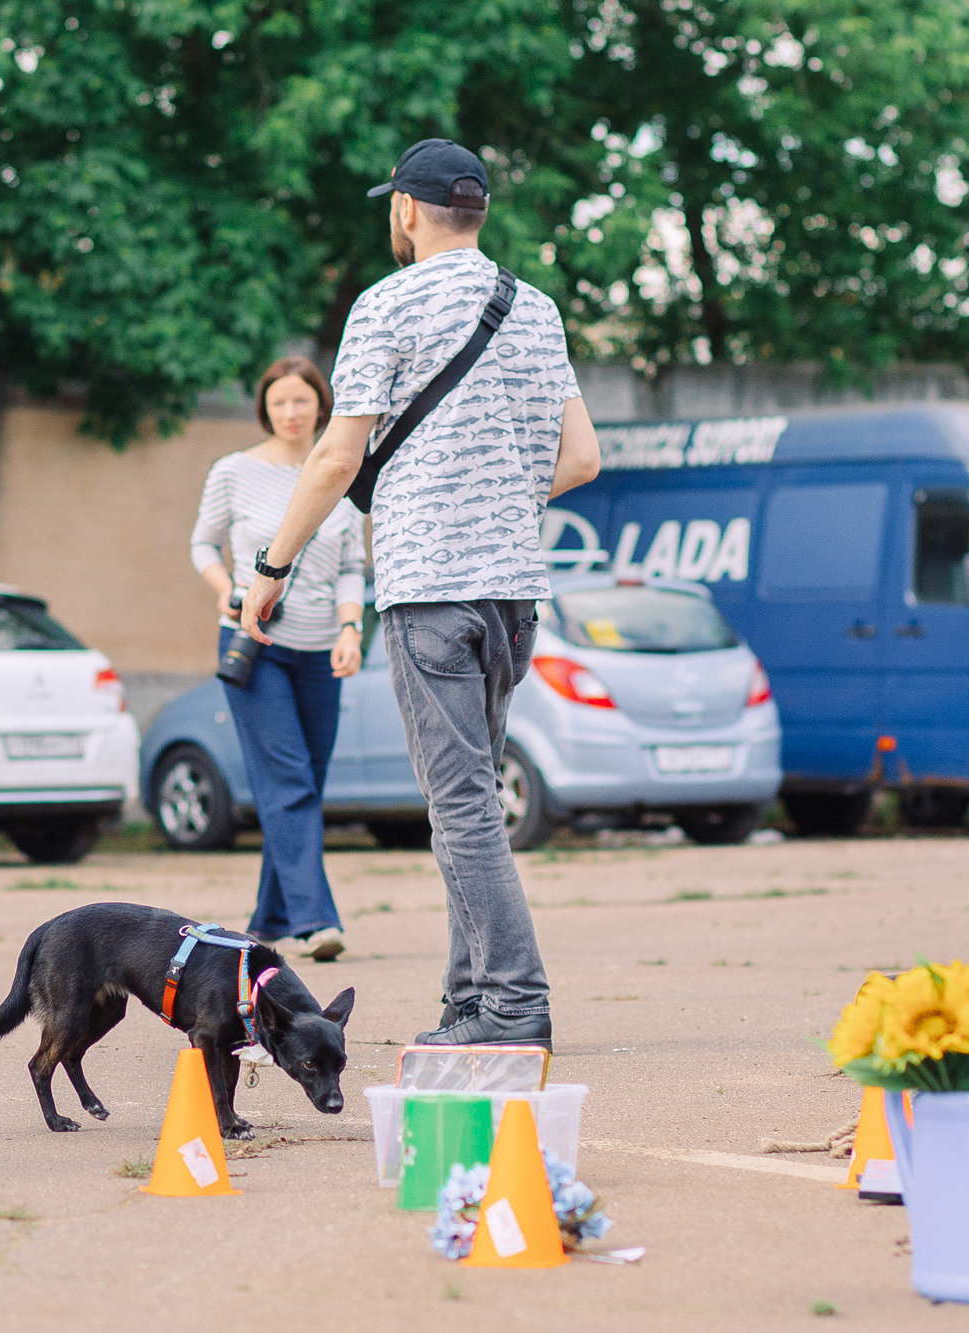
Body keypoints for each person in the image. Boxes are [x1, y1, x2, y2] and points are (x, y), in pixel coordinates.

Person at [240, 139, 600, 1051]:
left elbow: (336, 454)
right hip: (513, 594)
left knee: (460, 804)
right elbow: (583, 459)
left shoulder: (386, 304)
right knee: (467, 797)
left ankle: (513, 1003)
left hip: (430, 588)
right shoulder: (538, 309)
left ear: (405, 209)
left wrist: (273, 569)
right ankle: (469, 1000)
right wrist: (501, 498)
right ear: (476, 213)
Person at [191, 357, 366, 962]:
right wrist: (223, 586)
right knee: (289, 781)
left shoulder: (342, 472)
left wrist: (351, 628)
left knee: (302, 786)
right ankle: (317, 921)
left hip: (322, 650)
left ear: (322, 405)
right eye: (279, 402)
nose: (291, 413)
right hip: (255, 646)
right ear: (264, 407)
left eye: (302, 401)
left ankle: (266, 921)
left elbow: (350, 566)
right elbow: (200, 542)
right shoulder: (234, 472)